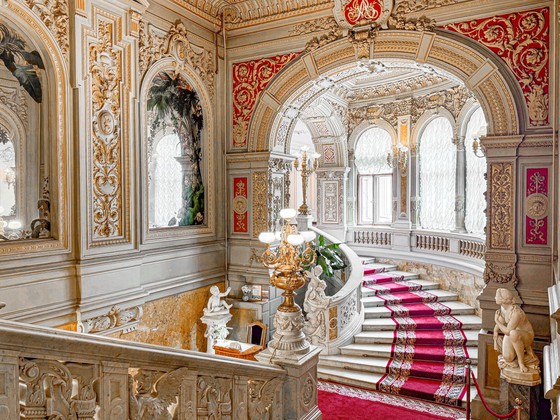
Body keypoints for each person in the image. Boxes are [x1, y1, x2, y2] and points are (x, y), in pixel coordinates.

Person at [493, 288, 536, 373]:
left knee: (513, 333)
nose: (494, 298)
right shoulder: (503, 308)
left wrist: (496, 321)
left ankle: (521, 362)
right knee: (508, 358)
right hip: (513, 333)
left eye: (496, 296)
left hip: (526, 336)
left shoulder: (516, 313)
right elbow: (501, 321)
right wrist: (495, 333)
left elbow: (507, 331)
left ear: (502, 300)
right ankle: (517, 352)